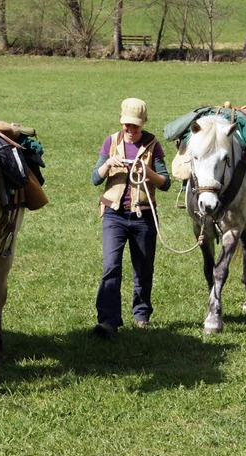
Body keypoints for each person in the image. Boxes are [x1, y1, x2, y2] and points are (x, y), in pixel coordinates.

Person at [90, 98, 171, 339]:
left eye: (135, 127)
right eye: (127, 126)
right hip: (113, 215)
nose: (130, 131)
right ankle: (107, 320)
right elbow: (95, 178)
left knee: (143, 269)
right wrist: (107, 165)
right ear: (120, 121)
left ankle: (142, 315)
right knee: (111, 266)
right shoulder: (111, 142)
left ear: (144, 123)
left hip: (143, 216)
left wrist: (149, 174)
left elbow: (165, 183)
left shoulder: (152, 145)